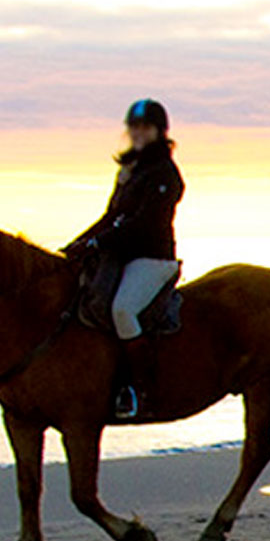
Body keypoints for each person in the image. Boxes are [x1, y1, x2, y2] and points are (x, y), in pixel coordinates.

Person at [65, 99, 184, 419]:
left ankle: (137, 388)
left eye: (145, 127)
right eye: (135, 127)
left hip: (152, 258)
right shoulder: (129, 171)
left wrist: (99, 242)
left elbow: (144, 224)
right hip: (120, 255)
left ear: (159, 131)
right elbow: (110, 217)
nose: (138, 133)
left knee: (122, 309)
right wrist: (76, 245)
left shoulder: (165, 174)